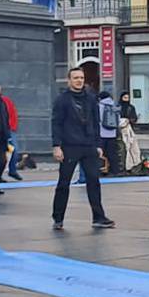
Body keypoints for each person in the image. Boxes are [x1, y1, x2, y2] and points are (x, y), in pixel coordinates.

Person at [50, 66, 115, 230]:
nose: (79, 80)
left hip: (89, 146)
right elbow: (56, 123)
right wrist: (56, 146)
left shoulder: (91, 98)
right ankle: (58, 217)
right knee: (64, 183)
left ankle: (99, 217)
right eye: (76, 78)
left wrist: (99, 145)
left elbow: (96, 122)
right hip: (69, 146)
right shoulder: (62, 100)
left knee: (94, 181)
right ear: (69, 80)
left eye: (81, 78)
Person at [98, 88, 121, 176]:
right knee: (113, 153)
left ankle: (102, 170)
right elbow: (118, 120)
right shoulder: (114, 106)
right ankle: (115, 171)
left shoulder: (99, 106)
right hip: (112, 133)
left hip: (101, 133)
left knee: (101, 153)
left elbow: (97, 119)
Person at [1, 89, 23, 181]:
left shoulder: (6, 101)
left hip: (9, 130)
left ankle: (12, 170)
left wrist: (13, 127)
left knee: (14, 150)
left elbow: (13, 114)